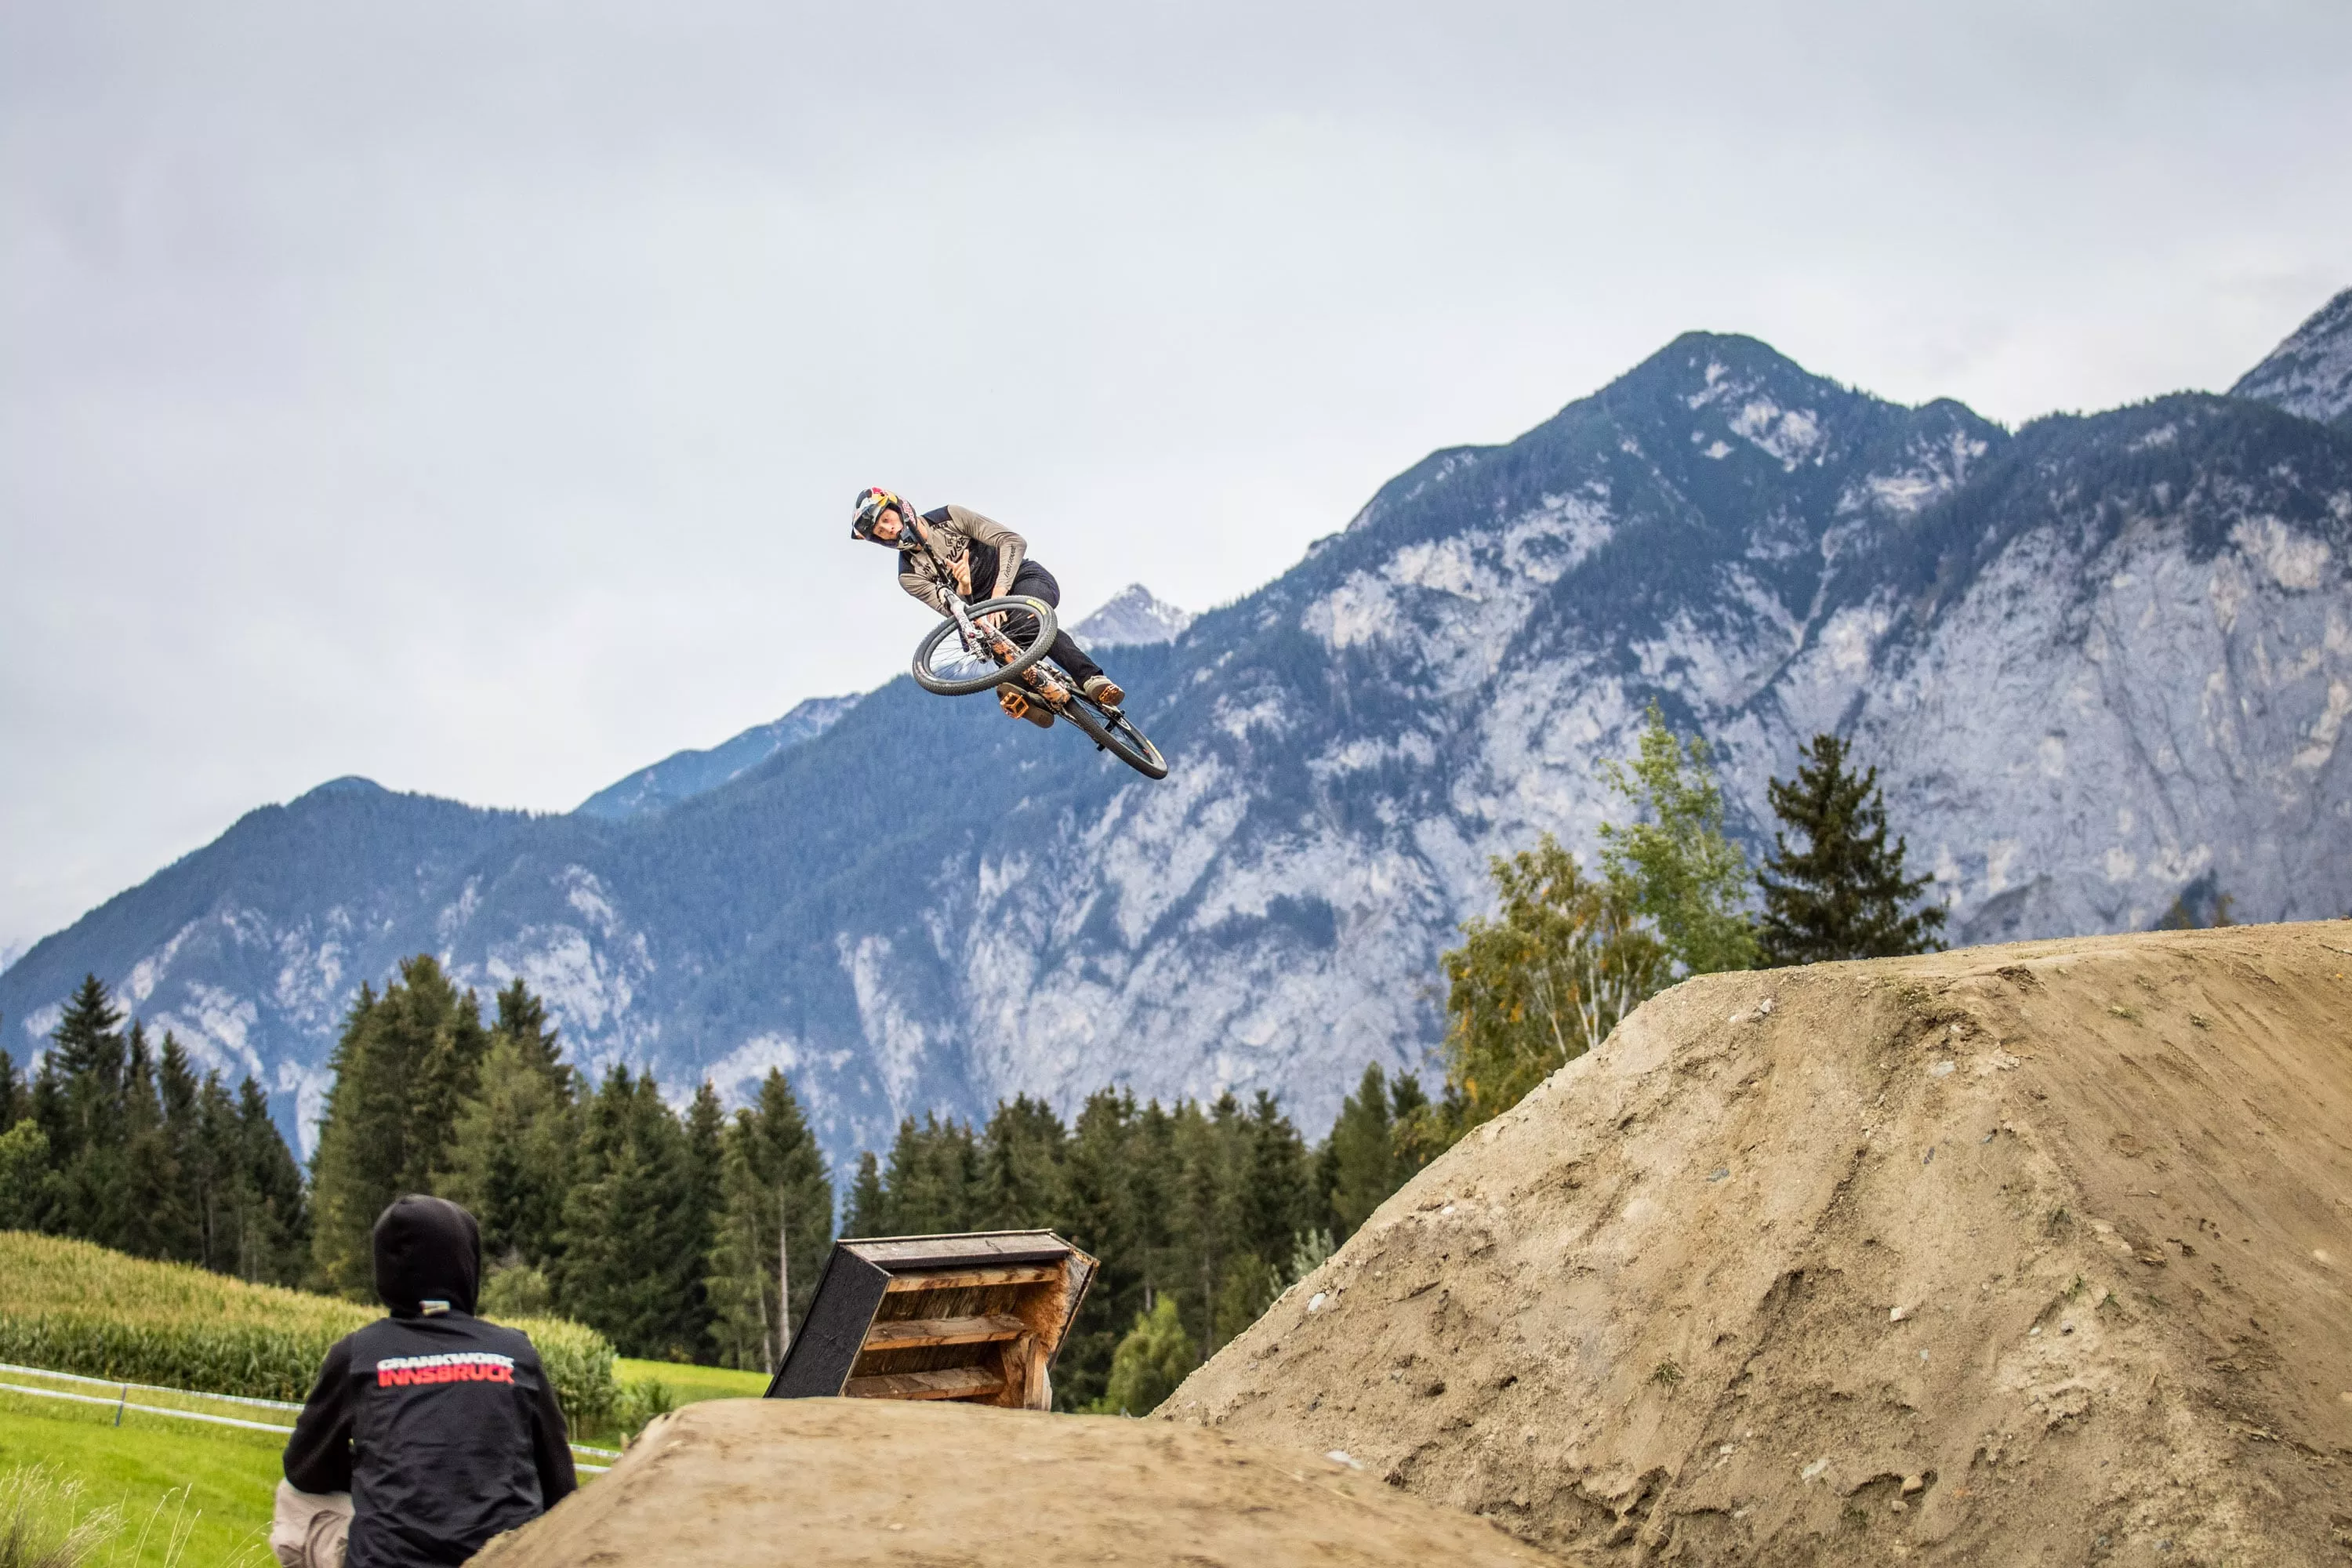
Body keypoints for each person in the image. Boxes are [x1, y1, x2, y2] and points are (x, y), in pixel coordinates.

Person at [274, 1196, 576, 1568]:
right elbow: (561, 1484)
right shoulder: (515, 1352)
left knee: (291, 1496)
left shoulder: (359, 1354)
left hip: (388, 1562)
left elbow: (303, 1468)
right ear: (466, 1263)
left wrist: (380, 1470)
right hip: (505, 1559)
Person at [851, 487, 1124, 726]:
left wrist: (998, 595)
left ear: (900, 508)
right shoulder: (909, 575)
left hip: (1022, 580)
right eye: (880, 532)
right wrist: (964, 588)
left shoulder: (951, 516)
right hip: (981, 614)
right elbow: (953, 612)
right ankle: (1029, 692)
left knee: (1027, 620)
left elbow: (1013, 541)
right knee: (992, 640)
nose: (889, 530)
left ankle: (1090, 678)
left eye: (887, 520)